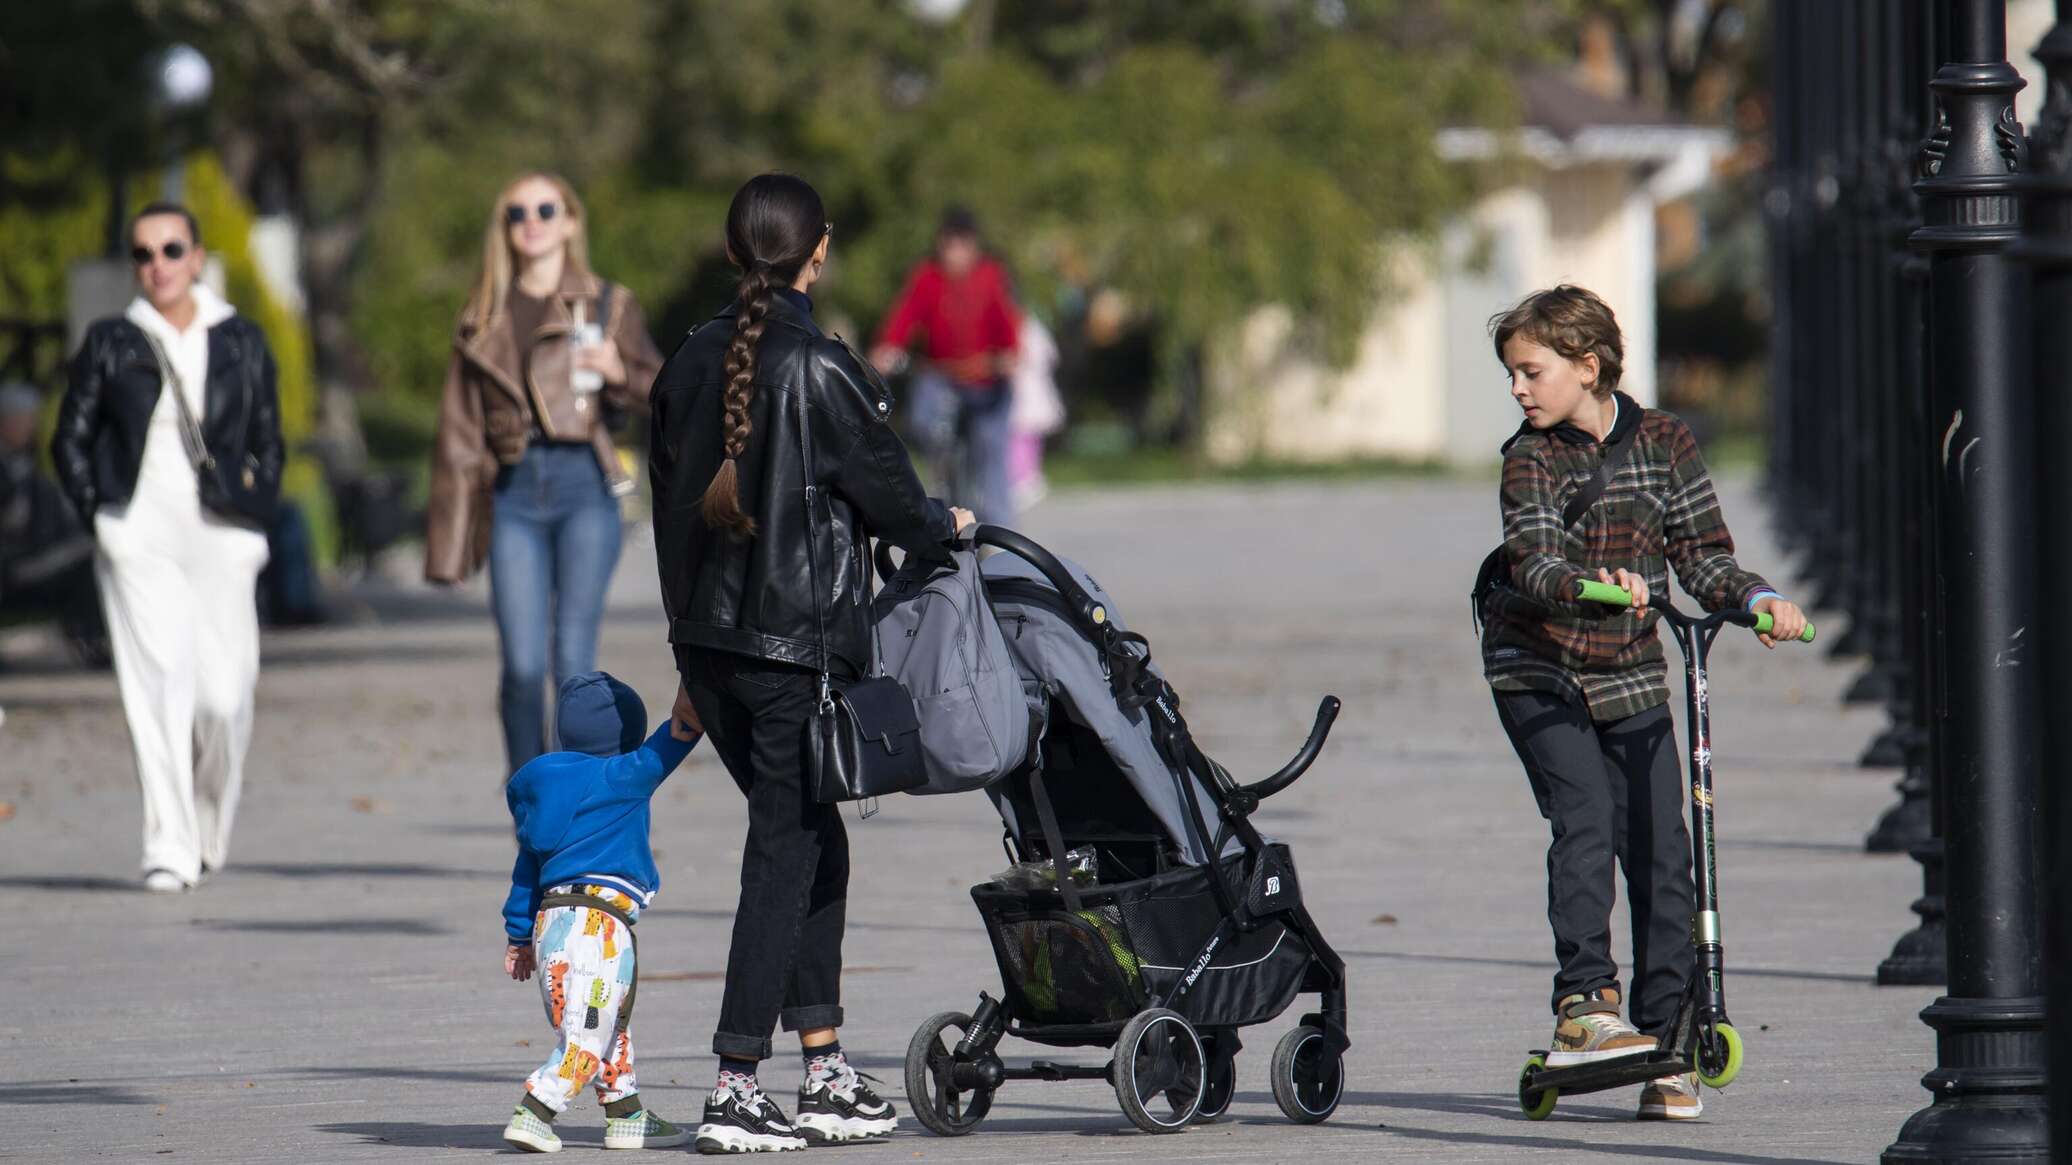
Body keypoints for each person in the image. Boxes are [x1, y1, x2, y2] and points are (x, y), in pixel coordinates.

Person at [649, 173, 974, 1153]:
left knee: (811, 844)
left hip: (710, 653)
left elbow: (667, 507)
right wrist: (943, 525)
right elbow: (894, 498)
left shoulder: (688, 362)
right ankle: (736, 1083)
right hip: (789, 658)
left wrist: (691, 644)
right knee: (784, 854)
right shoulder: (820, 370)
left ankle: (824, 1066)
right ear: (818, 252)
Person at [1477, 285, 1807, 1121]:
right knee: (1584, 814)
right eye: (1512, 374)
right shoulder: (1530, 456)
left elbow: (1702, 555)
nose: (1519, 389)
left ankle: (1668, 1041)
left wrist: (1757, 598)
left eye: (1531, 371)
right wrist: (1597, 586)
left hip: (1630, 667)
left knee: (1665, 846)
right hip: (1537, 662)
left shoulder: (1665, 442)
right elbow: (1535, 563)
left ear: (1588, 368)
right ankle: (1585, 1003)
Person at [50, 202, 285, 893]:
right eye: (145, 254)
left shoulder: (240, 337)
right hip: (141, 529)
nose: (159, 265)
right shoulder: (112, 340)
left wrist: (258, 509)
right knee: (158, 690)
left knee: (222, 696)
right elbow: (71, 438)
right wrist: (103, 517)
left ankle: (208, 826)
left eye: (172, 249)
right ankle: (168, 845)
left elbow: (270, 438)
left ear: (197, 255)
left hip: (222, 531)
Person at [425, 172, 666, 774]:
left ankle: (577, 809)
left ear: (571, 220)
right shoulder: (482, 315)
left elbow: (667, 390)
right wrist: (449, 546)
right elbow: (459, 433)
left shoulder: (610, 305)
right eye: (516, 212)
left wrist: (618, 370)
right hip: (514, 492)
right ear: (503, 228)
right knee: (523, 669)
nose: (531, 221)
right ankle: (532, 801)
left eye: (545, 208)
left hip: (585, 482)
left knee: (573, 664)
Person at [499, 670, 702, 1154]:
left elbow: (526, 870)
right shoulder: (624, 775)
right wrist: (704, 681)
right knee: (587, 1031)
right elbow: (681, 729)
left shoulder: (542, 794)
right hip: (597, 927)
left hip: (551, 923)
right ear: (625, 734)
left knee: (602, 1021)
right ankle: (537, 1109)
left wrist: (517, 936)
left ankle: (625, 1113)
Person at [869, 205, 1021, 527]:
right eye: (947, 245)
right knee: (925, 421)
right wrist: (887, 348)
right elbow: (905, 316)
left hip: (985, 379)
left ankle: (998, 528)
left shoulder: (991, 276)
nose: (952, 254)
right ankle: (943, 504)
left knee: (991, 447)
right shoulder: (927, 277)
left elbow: (1007, 320)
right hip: (942, 375)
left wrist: (1009, 354)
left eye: (960, 246)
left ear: (974, 246)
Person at [1007, 313, 1065, 511]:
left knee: (1024, 436)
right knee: (1025, 437)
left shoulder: (1025, 328)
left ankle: (1026, 479)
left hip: (1026, 390)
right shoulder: (1031, 327)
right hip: (1029, 389)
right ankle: (1026, 476)